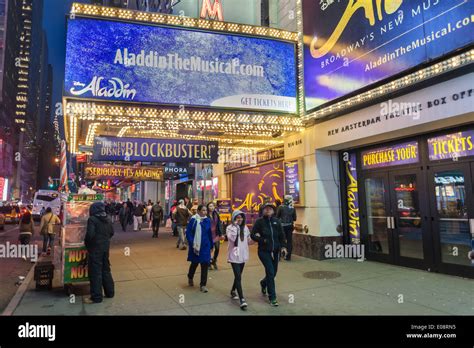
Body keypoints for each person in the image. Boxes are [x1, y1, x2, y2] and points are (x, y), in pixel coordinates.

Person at [251, 203, 287, 307]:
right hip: (263, 251)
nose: (268, 210)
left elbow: (281, 235)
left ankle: (263, 283)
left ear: (273, 211)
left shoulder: (277, 222)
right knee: (270, 272)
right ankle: (272, 297)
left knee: (273, 272)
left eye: (270, 209)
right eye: (265, 209)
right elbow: (253, 235)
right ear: (262, 211)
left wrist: (283, 247)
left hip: (275, 251)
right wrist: (262, 240)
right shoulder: (259, 222)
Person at [84, 202, 115, 304]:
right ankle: (110, 292)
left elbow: (90, 235)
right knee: (106, 270)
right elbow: (112, 232)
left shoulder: (92, 219)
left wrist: (87, 244)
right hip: (105, 248)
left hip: (95, 249)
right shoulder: (108, 218)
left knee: (95, 273)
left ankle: (96, 297)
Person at [226, 210, 253, 310]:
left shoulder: (245, 228)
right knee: (238, 276)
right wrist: (236, 228)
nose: (240, 219)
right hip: (234, 255)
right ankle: (242, 299)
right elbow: (232, 239)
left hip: (243, 255)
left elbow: (249, 241)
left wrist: (257, 238)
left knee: (238, 276)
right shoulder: (230, 228)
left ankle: (233, 290)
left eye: (241, 217)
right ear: (233, 218)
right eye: (237, 217)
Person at [186, 205, 213, 293]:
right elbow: (189, 232)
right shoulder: (193, 220)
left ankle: (203, 285)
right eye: (203, 210)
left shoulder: (207, 220)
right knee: (194, 263)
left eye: (206, 210)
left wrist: (211, 245)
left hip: (205, 246)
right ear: (198, 211)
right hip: (196, 246)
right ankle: (190, 276)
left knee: (205, 264)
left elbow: (209, 233)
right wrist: (191, 243)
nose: (205, 212)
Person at [276, 195, 297, 261]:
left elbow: (277, 216)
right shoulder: (292, 208)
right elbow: (294, 218)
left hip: (282, 226)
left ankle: (279, 256)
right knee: (289, 241)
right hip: (290, 226)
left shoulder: (280, 207)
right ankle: (288, 256)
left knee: (280, 240)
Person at [207, 202, 223, 270]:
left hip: (216, 234)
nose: (212, 207)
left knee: (217, 248)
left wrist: (221, 233)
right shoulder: (206, 215)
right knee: (209, 250)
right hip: (208, 235)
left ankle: (214, 261)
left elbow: (219, 224)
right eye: (210, 206)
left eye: (213, 206)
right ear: (208, 207)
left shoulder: (216, 214)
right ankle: (208, 263)